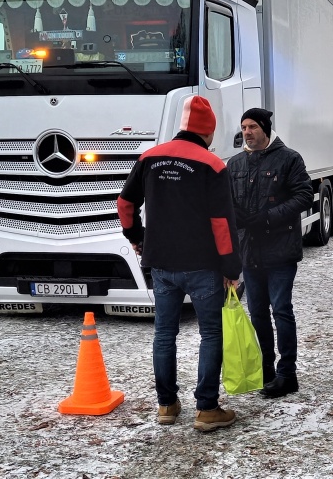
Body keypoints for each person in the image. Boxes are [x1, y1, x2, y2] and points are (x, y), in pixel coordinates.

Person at [117, 95, 242, 432]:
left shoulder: (149, 158)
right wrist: (231, 268)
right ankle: (206, 409)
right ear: (208, 131)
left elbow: (125, 202)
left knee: (164, 334)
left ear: (182, 127)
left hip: (161, 265)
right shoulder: (213, 165)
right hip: (203, 266)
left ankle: (167, 405)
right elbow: (221, 222)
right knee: (211, 334)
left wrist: (136, 236)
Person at [228, 108, 313, 398]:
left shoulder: (289, 158)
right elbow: (226, 202)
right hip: (249, 252)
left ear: (265, 128)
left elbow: (304, 195)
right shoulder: (236, 163)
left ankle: (287, 374)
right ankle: (266, 369)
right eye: (243, 127)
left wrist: (268, 217)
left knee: (281, 310)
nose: (247, 132)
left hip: (280, 252)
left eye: (252, 127)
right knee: (258, 314)